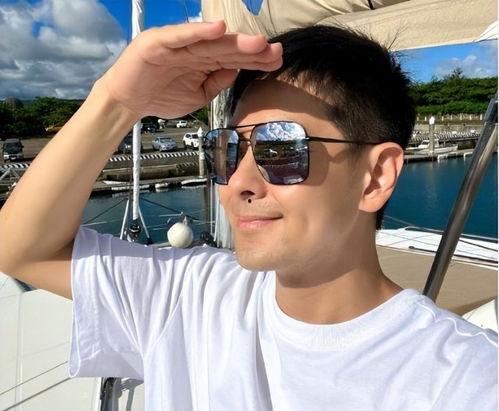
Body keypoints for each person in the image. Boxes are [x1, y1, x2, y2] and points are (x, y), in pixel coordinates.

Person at [0, 21, 496, 410]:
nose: (236, 182)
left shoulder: (463, 380)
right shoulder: (190, 295)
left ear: (375, 176)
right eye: (227, 150)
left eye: (281, 148)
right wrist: (118, 101)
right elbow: (20, 249)